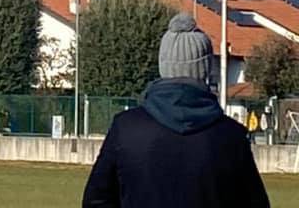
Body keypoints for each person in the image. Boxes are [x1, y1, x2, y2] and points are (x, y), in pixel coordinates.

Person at [82, 12, 270, 208]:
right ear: (205, 68)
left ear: (163, 65)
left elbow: (96, 199)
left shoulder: (126, 128)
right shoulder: (231, 136)